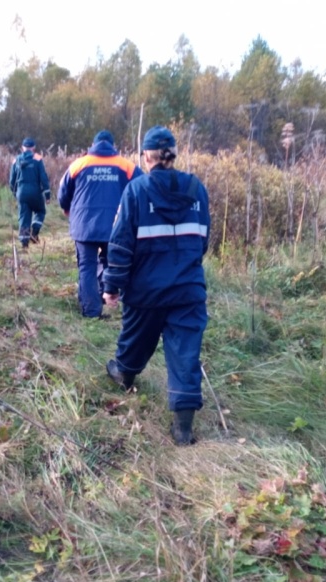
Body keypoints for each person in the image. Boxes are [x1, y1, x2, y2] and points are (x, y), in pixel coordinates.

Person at [102, 126, 211, 446]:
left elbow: (120, 244)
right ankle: (183, 429)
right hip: (188, 289)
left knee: (136, 339)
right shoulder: (197, 189)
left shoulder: (136, 191)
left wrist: (112, 286)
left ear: (145, 157)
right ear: (173, 154)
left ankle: (123, 374)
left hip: (146, 290)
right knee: (185, 354)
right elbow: (203, 239)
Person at [57, 130, 141, 319]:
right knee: (111, 262)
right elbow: (142, 189)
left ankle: (91, 312)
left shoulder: (79, 164)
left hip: (84, 225)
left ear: (92, 145)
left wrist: (66, 208)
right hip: (115, 226)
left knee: (86, 266)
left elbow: (63, 193)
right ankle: (107, 295)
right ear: (113, 145)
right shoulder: (126, 166)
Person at [9, 137, 51, 248]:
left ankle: (24, 244)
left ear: (23, 148)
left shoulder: (16, 160)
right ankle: (35, 230)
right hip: (36, 193)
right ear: (34, 148)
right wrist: (47, 194)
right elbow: (44, 178)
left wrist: (15, 194)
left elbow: (11, 182)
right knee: (40, 211)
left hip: (21, 193)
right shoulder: (37, 159)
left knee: (24, 217)